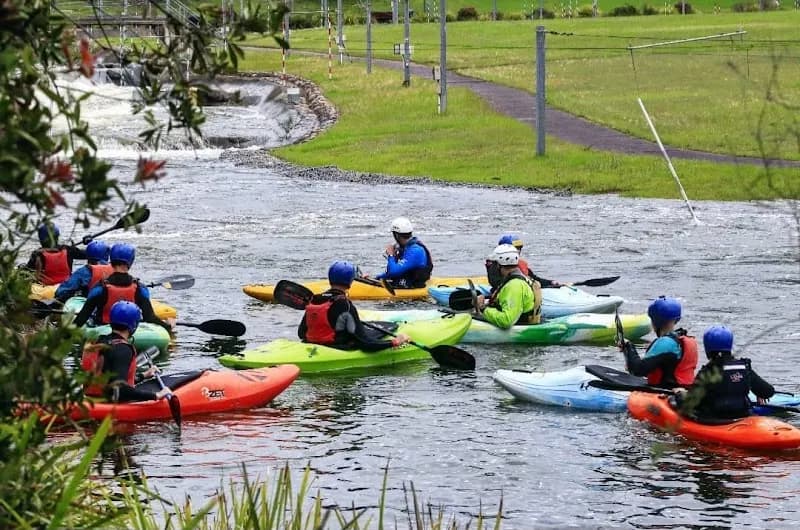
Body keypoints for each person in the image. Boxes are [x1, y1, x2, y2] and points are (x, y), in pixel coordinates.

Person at [299, 261, 410, 350]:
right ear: (350, 281)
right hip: (336, 346)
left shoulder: (315, 299)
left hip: (314, 343)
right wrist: (394, 342)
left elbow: (301, 333)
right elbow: (366, 344)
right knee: (375, 333)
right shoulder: (344, 304)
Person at [80, 300, 172, 402]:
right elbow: (121, 390)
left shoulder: (99, 341)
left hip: (89, 400)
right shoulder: (123, 349)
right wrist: (155, 395)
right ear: (134, 324)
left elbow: (111, 379)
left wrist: (143, 376)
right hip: (108, 405)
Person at [678, 325, 775, 419]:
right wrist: (758, 391)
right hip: (741, 417)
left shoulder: (708, 371)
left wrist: (680, 393)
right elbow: (768, 392)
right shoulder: (744, 367)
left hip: (714, 421)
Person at [72, 243, 172, 332]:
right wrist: (167, 326)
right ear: (130, 261)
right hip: (129, 332)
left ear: (111, 260)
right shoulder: (139, 288)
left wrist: (64, 334)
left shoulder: (99, 288)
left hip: (103, 329)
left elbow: (82, 318)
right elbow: (149, 317)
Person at [620, 296, 698, 389]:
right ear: (676, 319)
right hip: (684, 391)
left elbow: (638, 370)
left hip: (665, 392)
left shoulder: (665, 343)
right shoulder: (682, 340)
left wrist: (629, 346)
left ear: (655, 321)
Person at [475, 244, 542, 329]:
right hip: (519, 319)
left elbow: (507, 321)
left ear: (499, 265)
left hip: (519, 325)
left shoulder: (515, 285)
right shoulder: (515, 279)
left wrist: (482, 308)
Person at [374, 217, 433, 288]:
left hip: (415, 286)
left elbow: (393, 272)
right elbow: (393, 271)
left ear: (396, 235)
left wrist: (391, 255)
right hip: (405, 283)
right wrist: (376, 278)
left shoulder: (416, 251)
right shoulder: (404, 247)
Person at [497, 234, 566, 288]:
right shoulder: (497, 265)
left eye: (519, 248)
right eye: (515, 248)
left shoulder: (521, 264)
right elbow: (496, 282)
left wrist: (551, 282)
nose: (518, 251)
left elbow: (534, 278)